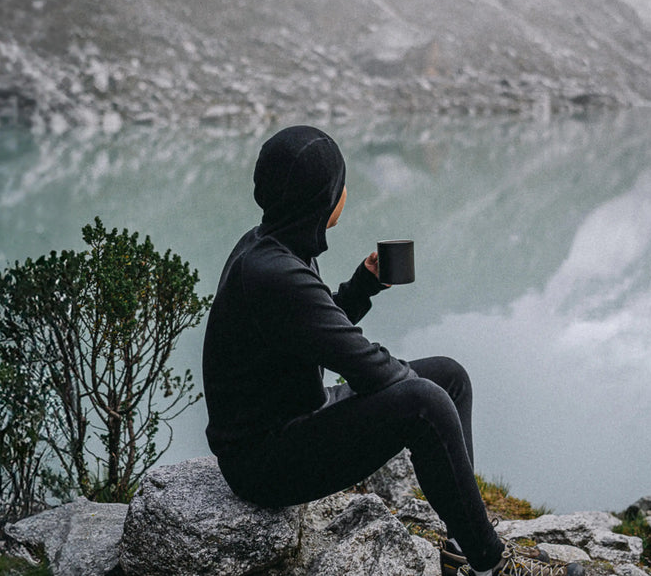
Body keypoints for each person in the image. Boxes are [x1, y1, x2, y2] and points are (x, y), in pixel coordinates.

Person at [202, 125, 582, 576]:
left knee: (448, 376)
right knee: (425, 401)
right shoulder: (277, 273)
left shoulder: (272, 246)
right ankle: (492, 565)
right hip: (264, 464)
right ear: (324, 199)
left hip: (289, 424)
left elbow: (311, 330)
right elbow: (369, 369)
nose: (346, 190)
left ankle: (464, 544)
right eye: (340, 182)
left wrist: (362, 286)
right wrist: (401, 386)